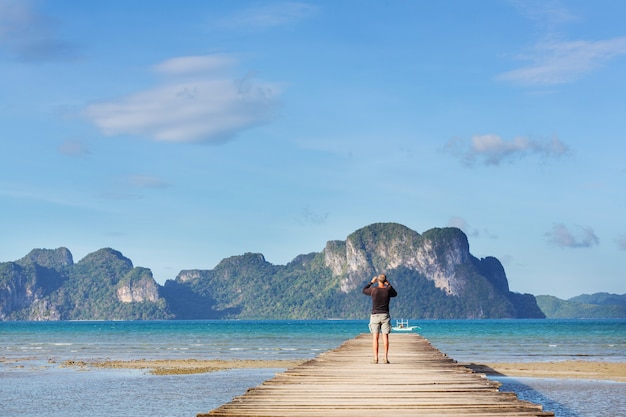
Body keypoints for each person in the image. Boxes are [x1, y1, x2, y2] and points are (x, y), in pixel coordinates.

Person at [362, 273, 397, 364]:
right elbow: (395, 294)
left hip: (375, 315)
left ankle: (376, 358)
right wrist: (388, 284)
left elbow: (364, 290)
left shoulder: (373, 290)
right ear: (385, 281)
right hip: (385, 315)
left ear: (377, 281)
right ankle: (385, 358)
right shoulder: (388, 290)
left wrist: (371, 282)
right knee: (385, 337)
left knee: (375, 337)